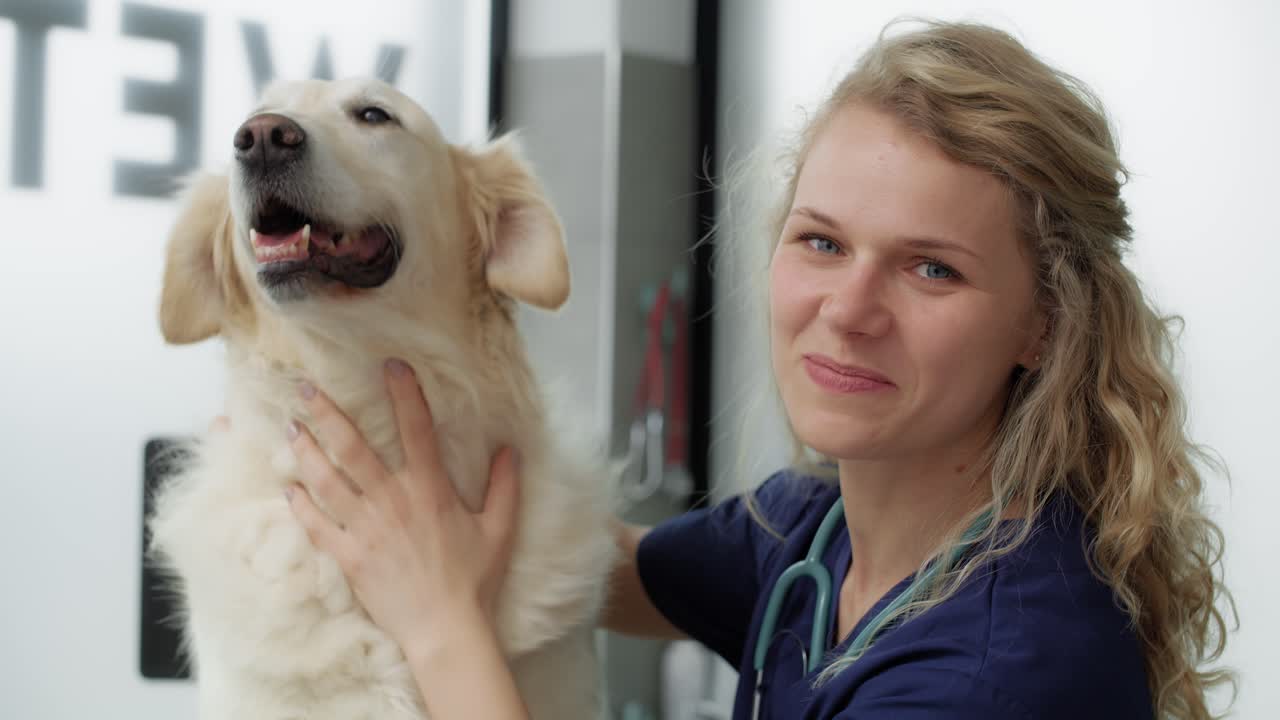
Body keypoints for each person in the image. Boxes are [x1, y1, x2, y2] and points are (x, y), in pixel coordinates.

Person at [280, 18, 1234, 720]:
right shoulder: (815, 538)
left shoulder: (1002, 673)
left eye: (931, 267)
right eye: (821, 243)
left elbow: (464, 594)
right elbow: (593, 566)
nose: (849, 310)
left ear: (1044, 322)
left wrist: (442, 624)